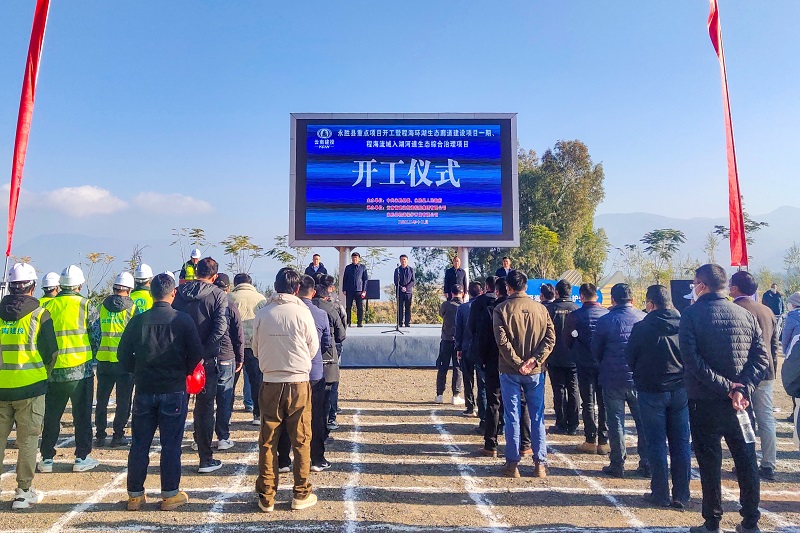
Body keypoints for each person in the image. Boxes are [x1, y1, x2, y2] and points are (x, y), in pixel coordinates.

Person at [680, 264, 769, 533]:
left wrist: (729, 388)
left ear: (703, 285)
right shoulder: (745, 315)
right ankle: (750, 520)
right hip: (740, 405)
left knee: (710, 464)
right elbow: (761, 359)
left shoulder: (691, 315)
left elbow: (693, 362)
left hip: (705, 402)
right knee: (746, 461)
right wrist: (742, 389)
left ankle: (713, 521)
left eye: (694, 283)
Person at [118, 273, 204, 511]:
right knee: (170, 444)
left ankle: (135, 495)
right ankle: (169, 494)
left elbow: (122, 356)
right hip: (173, 389)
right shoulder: (183, 320)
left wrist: (136, 371)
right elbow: (196, 353)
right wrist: (182, 370)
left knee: (139, 444)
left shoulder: (138, 321)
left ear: (150, 294)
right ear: (173, 293)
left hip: (144, 388)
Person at [252, 268, 319, 512]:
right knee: (301, 440)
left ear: (275, 285)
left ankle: (267, 495)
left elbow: (256, 348)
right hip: (298, 382)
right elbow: (313, 347)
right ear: (297, 289)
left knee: (268, 441)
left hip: (270, 381)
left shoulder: (263, 313)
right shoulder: (303, 313)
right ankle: (301, 493)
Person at [626, 285, 690, 510]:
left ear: (651, 304)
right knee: (681, 443)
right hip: (681, 390)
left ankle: (660, 493)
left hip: (651, 390)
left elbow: (630, 359)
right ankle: (682, 494)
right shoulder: (685, 325)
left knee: (656, 443)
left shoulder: (641, 328)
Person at [0, 263, 57, 509]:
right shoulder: (40, 314)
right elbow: (51, 352)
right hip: (31, 388)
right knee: (27, 441)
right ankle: (23, 492)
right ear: (32, 287)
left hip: (1, 388)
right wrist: (45, 374)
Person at [493, 270, 556, 478]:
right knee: (537, 416)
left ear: (508, 288)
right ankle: (540, 464)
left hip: (510, 370)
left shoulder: (501, 309)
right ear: (526, 286)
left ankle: (512, 464)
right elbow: (550, 339)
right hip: (535, 371)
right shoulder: (541, 309)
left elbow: (502, 342)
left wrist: (518, 363)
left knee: (512, 416)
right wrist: (534, 361)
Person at [39, 265, 99, 473]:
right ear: (79, 285)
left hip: (54, 372)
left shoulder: (48, 306)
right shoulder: (86, 305)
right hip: (81, 372)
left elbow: (43, 340)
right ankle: (81, 457)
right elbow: (95, 337)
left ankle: (46, 458)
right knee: (82, 416)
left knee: (52, 416)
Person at [172, 257, 228, 473]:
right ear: (214, 276)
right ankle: (205, 458)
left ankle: (172, 454)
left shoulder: (179, 293)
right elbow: (220, 328)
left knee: (177, 408)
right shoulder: (217, 295)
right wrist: (202, 355)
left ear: (195, 271)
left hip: (180, 358)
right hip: (207, 361)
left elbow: (172, 322)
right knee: (205, 410)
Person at [593, 283, 649, 478]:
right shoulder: (643, 318)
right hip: (639, 379)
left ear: (613, 300)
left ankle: (618, 463)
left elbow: (596, 351)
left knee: (616, 421)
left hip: (612, 378)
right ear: (632, 299)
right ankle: (647, 462)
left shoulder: (605, 320)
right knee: (643, 422)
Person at [729, 271, 781, 481]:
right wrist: (771, 369)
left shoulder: (735, 309)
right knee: (766, 418)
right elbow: (774, 344)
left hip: (742, 374)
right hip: (765, 372)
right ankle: (769, 463)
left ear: (735, 288)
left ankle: (746, 461)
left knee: (742, 418)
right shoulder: (767, 310)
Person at [94, 272, 138, 448]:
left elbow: (96, 330)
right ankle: (118, 435)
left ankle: (99, 435)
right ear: (129, 290)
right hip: (124, 361)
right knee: (123, 400)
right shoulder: (133, 309)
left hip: (103, 360)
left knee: (102, 400)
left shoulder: (102, 306)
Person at [565, 283, 610, 455]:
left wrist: (576, 351)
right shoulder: (606, 314)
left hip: (583, 363)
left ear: (582, 297)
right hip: (603, 364)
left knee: (588, 402)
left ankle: (590, 439)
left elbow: (567, 339)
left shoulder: (575, 315)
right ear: (596, 296)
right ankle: (604, 441)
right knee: (603, 402)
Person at [229, 273, 267, 425]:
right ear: (251, 283)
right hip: (254, 345)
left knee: (229, 383)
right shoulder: (261, 299)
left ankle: (227, 414)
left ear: (235, 283)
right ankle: (257, 415)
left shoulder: (229, 298)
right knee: (256, 381)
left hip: (233, 346)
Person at [212, 273, 244, 450]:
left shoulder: (204, 303)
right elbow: (238, 334)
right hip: (226, 355)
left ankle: (199, 437)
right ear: (228, 288)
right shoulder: (230, 305)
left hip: (207, 356)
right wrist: (240, 357)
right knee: (225, 397)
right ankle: (223, 437)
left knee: (205, 398)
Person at [312, 277, 346, 434]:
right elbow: (341, 332)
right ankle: (331, 417)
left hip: (308, 353)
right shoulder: (333, 306)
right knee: (331, 385)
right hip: (329, 352)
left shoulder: (305, 307)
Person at [546, 280, 580, 435]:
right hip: (573, 357)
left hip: (554, 356)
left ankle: (561, 422)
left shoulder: (550, 309)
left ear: (557, 293)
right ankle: (573, 424)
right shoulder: (577, 309)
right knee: (573, 389)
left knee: (558, 389)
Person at [456, 281, 483, 418]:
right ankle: (482, 406)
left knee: (468, 378)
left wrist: (458, 347)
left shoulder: (462, 308)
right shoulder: (485, 306)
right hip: (481, 348)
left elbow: (458, 329)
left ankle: (470, 406)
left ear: (468, 293)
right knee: (482, 379)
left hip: (466, 347)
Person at [436, 284, 464, 405]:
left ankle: (439, 394)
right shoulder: (463, 307)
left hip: (446, 339)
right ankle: (455, 395)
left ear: (451, 293)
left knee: (442, 367)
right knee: (457, 368)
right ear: (462, 293)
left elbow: (441, 315)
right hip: (458, 342)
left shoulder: (446, 305)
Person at [342, 252, 368, 327]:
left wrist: (364, 290)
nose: (354, 259)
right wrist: (344, 289)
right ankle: (348, 322)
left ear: (359, 259)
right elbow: (345, 279)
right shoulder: (348, 267)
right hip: (349, 290)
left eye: (356, 258)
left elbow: (365, 280)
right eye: (353, 258)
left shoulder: (363, 267)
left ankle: (359, 322)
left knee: (359, 307)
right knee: (348, 307)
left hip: (359, 290)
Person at [393, 254, 415, 327]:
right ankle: (400, 322)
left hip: (408, 292)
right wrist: (401, 287)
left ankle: (407, 322)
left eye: (404, 259)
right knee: (400, 307)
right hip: (400, 292)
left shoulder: (411, 270)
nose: (403, 261)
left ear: (407, 260)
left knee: (408, 307)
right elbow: (396, 281)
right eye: (402, 260)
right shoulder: (397, 270)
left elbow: (413, 281)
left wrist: (407, 287)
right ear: (400, 261)